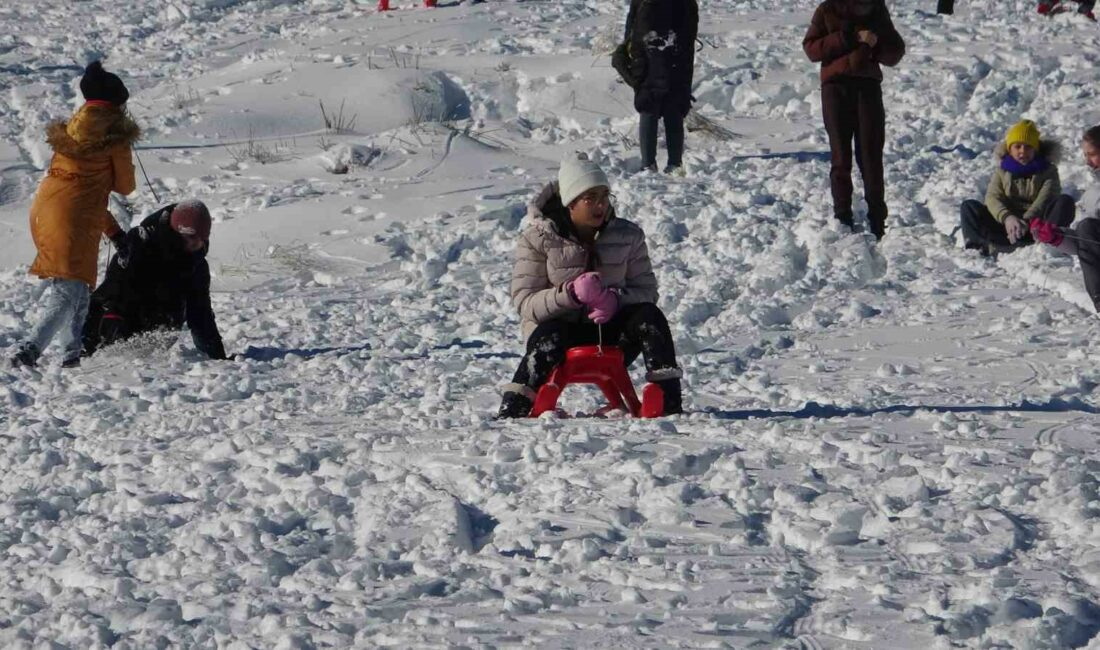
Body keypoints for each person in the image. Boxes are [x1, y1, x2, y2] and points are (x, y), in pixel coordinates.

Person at [497, 154, 683, 418]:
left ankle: (667, 400)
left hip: (610, 332)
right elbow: (525, 302)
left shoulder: (628, 236)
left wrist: (615, 300)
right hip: (559, 336)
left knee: (650, 317)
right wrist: (570, 295)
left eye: (605, 196)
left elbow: (647, 291)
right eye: (590, 198)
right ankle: (515, 407)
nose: (600, 205)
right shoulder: (538, 239)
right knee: (549, 335)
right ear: (570, 203)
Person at [11, 61, 138, 369]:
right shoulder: (114, 136)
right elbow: (125, 187)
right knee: (68, 290)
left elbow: (83, 195)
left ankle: (71, 354)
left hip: (47, 209)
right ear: (115, 103)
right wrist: (124, 151)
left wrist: (115, 233)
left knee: (78, 287)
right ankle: (30, 349)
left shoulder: (73, 128)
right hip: (73, 218)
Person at [803, 0, 905, 239]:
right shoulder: (828, 9)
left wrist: (875, 44)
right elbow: (811, 49)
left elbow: (896, 52)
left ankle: (877, 218)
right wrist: (850, 38)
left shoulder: (876, 9)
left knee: (871, 156)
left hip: (867, 88)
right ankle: (842, 216)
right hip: (835, 88)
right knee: (840, 156)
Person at [81, 200, 229, 361]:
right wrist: (112, 317)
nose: (198, 244)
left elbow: (200, 313)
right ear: (177, 233)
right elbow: (116, 286)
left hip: (155, 335)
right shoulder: (140, 243)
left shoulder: (196, 265)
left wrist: (217, 358)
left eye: (202, 239)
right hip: (113, 321)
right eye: (192, 238)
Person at [959, 119, 1072, 256]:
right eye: (1017, 146)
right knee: (969, 207)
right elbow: (993, 197)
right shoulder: (1002, 171)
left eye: (1028, 147)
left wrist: (1027, 221)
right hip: (1006, 228)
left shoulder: (1049, 171)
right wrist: (1007, 218)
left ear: (1036, 150)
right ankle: (977, 249)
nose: (1022, 151)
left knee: (1064, 202)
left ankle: (1048, 246)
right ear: (1010, 149)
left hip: (1036, 228)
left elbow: (1046, 199)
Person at [624, 0, 699, 175]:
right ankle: (673, 164)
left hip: (648, 56)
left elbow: (631, 26)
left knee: (649, 104)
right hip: (675, 55)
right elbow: (690, 32)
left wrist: (632, 55)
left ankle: (649, 164)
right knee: (672, 106)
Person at [1031, 126, 1100, 310]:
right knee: (1086, 227)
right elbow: (1084, 244)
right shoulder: (1093, 194)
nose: (1088, 161)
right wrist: (1057, 237)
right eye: (1085, 155)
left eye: (1092, 154)